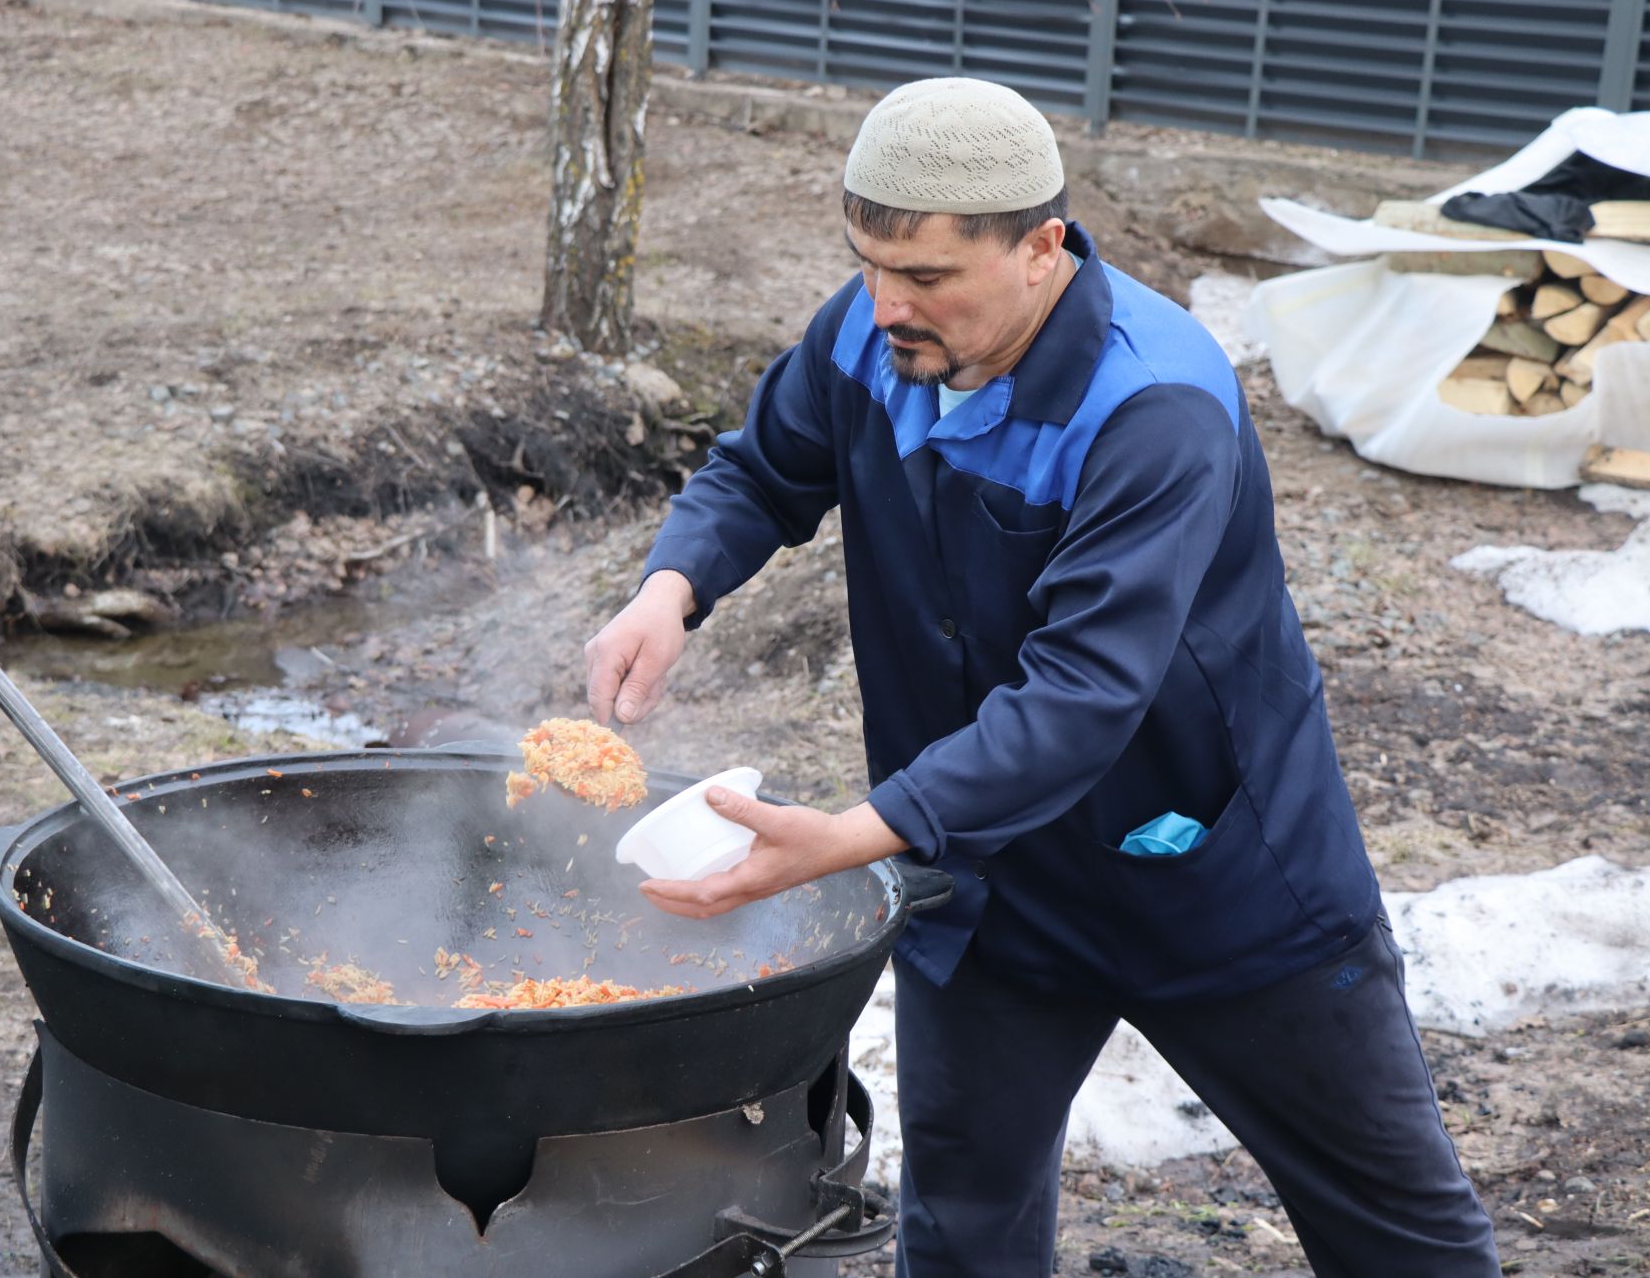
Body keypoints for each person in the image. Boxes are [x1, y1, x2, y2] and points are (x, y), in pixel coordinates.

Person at [582, 78, 1500, 1276]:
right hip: (988, 883)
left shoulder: (1153, 404)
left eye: (928, 277)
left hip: (1214, 873)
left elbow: (1081, 696)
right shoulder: (870, 334)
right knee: (962, 1228)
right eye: (868, 262)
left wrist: (854, 833)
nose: (886, 304)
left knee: (1399, 1229)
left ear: (1042, 247)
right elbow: (763, 471)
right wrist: (672, 587)